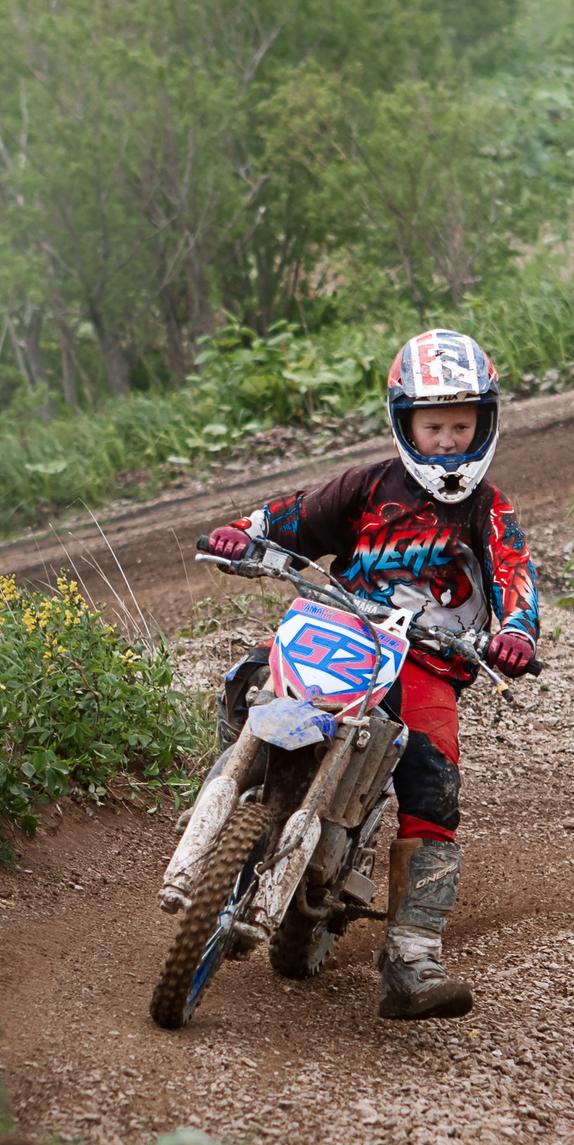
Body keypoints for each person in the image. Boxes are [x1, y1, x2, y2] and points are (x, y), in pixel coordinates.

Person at [203, 328, 541, 1021]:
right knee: (248, 681)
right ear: (404, 423)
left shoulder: (488, 510)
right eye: (433, 425)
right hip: (341, 633)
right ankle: (221, 808)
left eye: (460, 425)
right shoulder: (366, 487)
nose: (447, 440)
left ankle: (412, 955)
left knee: (431, 774)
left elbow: (515, 581)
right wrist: (243, 532)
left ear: (485, 424)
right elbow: (292, 519)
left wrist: (512, 633)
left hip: (424, 662)